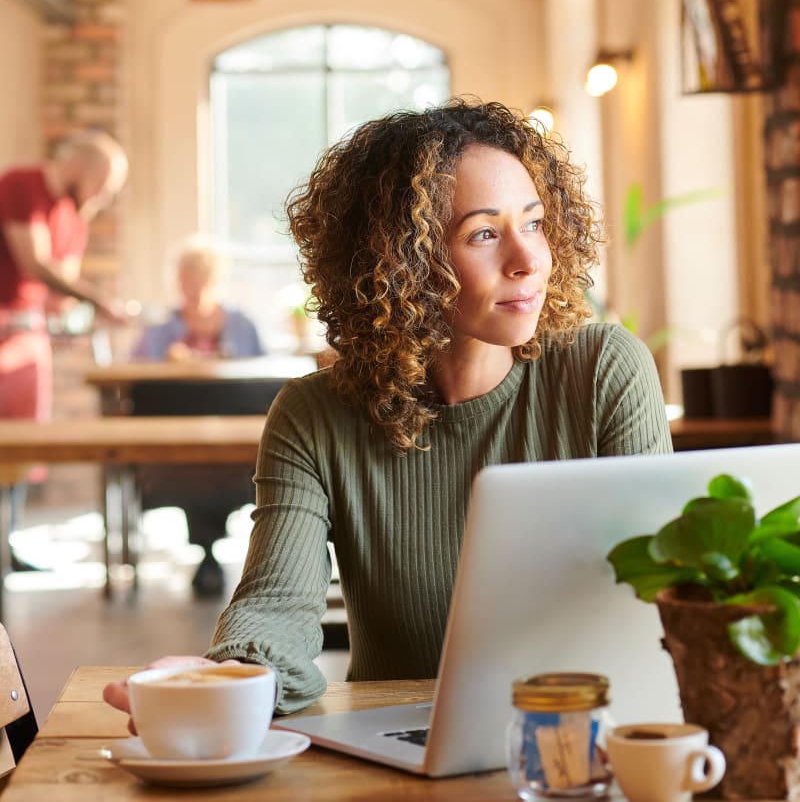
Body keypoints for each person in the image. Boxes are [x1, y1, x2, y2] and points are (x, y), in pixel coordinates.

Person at [104, 98, 671, 721]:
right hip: (399, 752)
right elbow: (276, 603)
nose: (528, 258)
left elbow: (663, 585)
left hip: (588, 737)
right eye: (483, 233)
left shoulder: (603, 370)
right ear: (402, 261)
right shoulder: (315, 415)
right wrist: (229, 680)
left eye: (534, 223)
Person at [0, 130, 130, 570]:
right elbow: (33, 262)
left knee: (22, 448)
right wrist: (101, 301)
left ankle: (8, 543)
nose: (102, 199)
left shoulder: (77, 219)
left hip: (29, 341)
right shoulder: (22, 185)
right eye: (103, 186)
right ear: (82, 167)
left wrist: (80, 318)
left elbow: (60, 295)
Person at [131, 238, 265, 597]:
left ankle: (207, 554)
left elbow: (265, 383)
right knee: (193, 467)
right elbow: (134, 385)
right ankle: (207, 554)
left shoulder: (242, 325)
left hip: (233, 448)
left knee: (221, 467)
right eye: (185, 276)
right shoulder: (159, 330)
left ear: (216, 277)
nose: (193, 284)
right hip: (176, 450)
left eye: (201, 275)